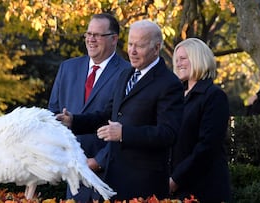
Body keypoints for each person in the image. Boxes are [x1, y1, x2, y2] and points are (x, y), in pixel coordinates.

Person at [57, 19, 184, 201]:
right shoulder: (126, 75)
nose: (132, 51)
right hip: (114, 181)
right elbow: (108, 115)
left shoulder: (169, 84)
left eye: (139, 46)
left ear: (156, 49)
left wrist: (124, 133)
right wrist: (74, 121)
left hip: (144, 185)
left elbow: (168, 133)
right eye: (130, 44)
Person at [48, 13, 130, 202]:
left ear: (114, 39)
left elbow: (127, 122)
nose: (91, 39)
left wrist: (99, 161)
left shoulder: (127, 73)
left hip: (111, 174)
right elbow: (52, 114)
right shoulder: (68, 68)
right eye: (88, 34)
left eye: (97, 35)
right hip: (74, 175)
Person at [169, 38, 231, 202]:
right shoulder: (176, 96)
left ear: (198, 58)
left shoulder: (214, 96)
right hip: (174, 188)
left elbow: (207, 146)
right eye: (177, 59)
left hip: (203, 189)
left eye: (183, 58)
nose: (178, 63)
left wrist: (176, 179)